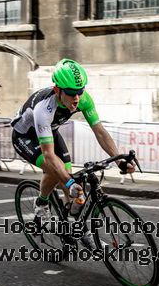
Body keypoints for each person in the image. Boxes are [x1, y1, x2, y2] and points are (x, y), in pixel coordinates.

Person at [11, 58, 134, 248]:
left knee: (72, 185)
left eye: (80, 91)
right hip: (25, 137)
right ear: (57, 89)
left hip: (49, 132)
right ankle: (42, 204)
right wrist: (68, 181)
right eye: (70, 93)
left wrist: (119, 162)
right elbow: (49, 156)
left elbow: (100, 131)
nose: (76, 98)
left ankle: (74, 226)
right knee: (57, 171)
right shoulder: (44, 108)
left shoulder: (82, 99)